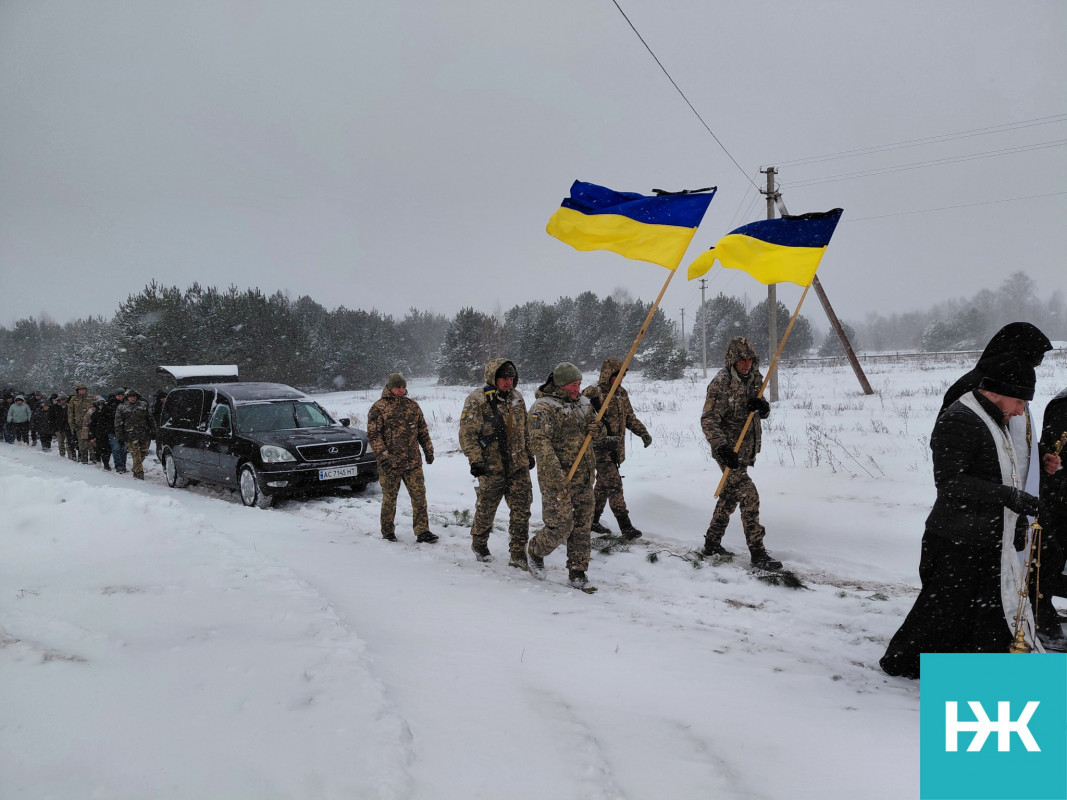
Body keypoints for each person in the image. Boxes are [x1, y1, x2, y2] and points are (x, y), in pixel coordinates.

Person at [880, 357, 1045, 679]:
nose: (1021, 411)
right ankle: (904, 662)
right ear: (999, 391)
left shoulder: (992, 417)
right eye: (1020, 401)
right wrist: (1010, 498)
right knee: (943, 612)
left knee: (976, 612)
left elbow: (998, 470)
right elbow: (950, 481)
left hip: (980, 535)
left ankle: (977, 669)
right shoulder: (961, 419)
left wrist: (1016, 517)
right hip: (957, 537)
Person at [526, 362, 609, 589]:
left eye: (580, 384)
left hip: (583, 477)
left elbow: (598, 434)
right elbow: (541, 445)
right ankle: (535, 550)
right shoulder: (543, 408)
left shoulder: (584, 405)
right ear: (561, 385)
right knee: (561, 526)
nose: (577, 389)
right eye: (573, 385)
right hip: (558, 480)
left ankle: (578, 571)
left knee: (583, 526)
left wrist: (597, 429)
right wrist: (557, 475)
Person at [700, 336, 780, 570]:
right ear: (732, 361)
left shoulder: (755, 377)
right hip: (727, 450)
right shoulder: (721, 383)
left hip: (745, 450)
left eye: (749, 359)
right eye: (741, 360)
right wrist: (721, 448)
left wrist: (762, 408)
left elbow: (759, 406)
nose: (746, 364)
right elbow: (708, 419)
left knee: (729, 495)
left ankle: (712, 543)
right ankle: (758, 553)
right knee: (748, 494)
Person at [458, 359, 535, 568]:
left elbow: (525, 429)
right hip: (491, 467)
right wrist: (476, 460)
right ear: (493, 377)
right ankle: (479, 543)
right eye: (504, 378)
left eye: (511, 378)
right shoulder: (477, 399)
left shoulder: (517, 398)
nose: (508, 383)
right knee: (486, 509)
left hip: (518, 465)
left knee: (522, 509)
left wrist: (529, 454)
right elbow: (467, 434)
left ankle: (518, 553)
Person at [583, 357, 652, 539]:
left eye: (623, 376)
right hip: (598, 450)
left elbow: (629, 418)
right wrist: (600, 436)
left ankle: (592, 521)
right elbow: (581, 420)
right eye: (617, 376)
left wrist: (642, 432)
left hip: (615, 449)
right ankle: (625, 526)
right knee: (614, 485)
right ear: (607, 375)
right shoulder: (592, 393)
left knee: (603, 487)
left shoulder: (621, 394)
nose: (621, 379)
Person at [366, 373, 438, 544]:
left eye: (403, 387)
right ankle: (388, 531)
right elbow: (374, 435)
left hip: (412, 462)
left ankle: (422, 531)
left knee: (419, 496)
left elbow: (422, 430)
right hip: (390, 464)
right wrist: (384, 456)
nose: (401, 390)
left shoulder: (412, 406)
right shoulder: (378, 408)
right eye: (398, 387)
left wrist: (428, 450)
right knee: (390, 498)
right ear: (390, 387)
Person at [1034, 386, 1067, 648]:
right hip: (1059, 498)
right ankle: (1041, 618)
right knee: (1049, 560)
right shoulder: (1062, 405)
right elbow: (1053, 452)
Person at [114, 388, 156, 480]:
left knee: (143, 453)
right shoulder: (122, 407)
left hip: (143, 433)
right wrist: (119, 436)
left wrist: (154, 430)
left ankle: (136, 467)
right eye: (130, 397)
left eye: (134, 397)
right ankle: (139, 473)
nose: (132, 398)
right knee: (135, 454)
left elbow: (150, 418)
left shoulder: (143, 405)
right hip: (130, 435)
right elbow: (118, 423)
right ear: (127, 398)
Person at [104, 388, 129, 473]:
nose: (120, 397)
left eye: (122, 396)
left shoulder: (126, 404)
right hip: (112, 430)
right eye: (119, 396)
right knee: (116, 448)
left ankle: (123, 465)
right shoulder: (110, 405)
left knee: (124, 450)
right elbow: (107, 418)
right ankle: (118, 465)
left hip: (124, 430)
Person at [67, 382, 93, 463]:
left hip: (90, 424)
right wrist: (72, 425)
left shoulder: (91, 398)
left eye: (83, 390)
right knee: (82, 444)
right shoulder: (74, 399)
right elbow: (70, 413)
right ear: (77, 391)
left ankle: (94, 458)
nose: (82, 391)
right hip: (79, 425)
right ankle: (83, 459)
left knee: (92, 443)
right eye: (80, 390)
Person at [87, 397, 112, 471]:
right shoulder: (95, 414)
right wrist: (91, 436)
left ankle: (106, 463)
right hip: (99, 435)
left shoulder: (108, 413)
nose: (100, 406)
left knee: (108, 450)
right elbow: (92, 426)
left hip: (107, 434)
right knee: (100, 449)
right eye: (99, 405)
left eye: (102, 405)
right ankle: (104, 464)